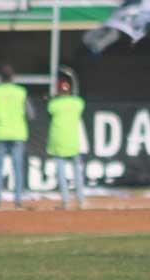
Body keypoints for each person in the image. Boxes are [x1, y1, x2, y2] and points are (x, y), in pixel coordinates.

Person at [0, 65, 35, 209]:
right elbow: (31, 114)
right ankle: (18, 201)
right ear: (13, 77)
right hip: (18, 133)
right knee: (17, 168)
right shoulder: (21, 92)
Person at [47, 78, 86, 209]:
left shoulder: (54, 104)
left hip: (58, 140)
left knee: (61, 172)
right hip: (73, 141)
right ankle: (81, 200)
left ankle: (65, 201)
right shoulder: (77, 102)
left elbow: (50, 111)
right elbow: (79, 104)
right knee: (77, 171)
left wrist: (55, 97)